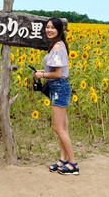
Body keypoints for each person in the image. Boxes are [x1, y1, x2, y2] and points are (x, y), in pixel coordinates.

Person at [33, 17, 78, 175]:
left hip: (59, 87)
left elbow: (58, 73)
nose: (49, 30)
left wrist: (42, 74)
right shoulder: (57, 45)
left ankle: (73, 164)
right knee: (63, 128)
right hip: (58, 87)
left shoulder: (58, 47)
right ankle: (63, 160)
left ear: (59, 30)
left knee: (58, 128)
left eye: (53, 27)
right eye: (48, 27)